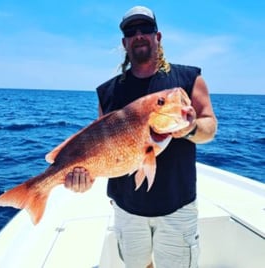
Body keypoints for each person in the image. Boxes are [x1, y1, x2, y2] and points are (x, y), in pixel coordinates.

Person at [65, 6, 217, 268]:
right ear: (125, 42)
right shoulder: (108, 92)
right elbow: (102, 151)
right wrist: (84, 179)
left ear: (157, 36)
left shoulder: (189, 79)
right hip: (127, 209)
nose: (138, 35)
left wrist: (190, 129)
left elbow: (210, 126)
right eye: (130, 31)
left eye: (145, 29)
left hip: (177, 207)